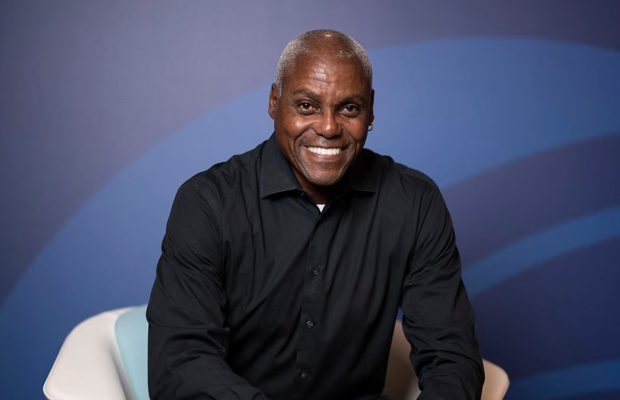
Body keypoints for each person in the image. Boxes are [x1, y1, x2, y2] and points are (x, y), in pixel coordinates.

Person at [147, 29, 484, 399]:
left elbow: (451, 359)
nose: (328, 127)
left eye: (349, 108)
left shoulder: (415, 203)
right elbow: (182, 362)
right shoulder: (208, 202)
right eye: (306, 106)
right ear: (274, 102)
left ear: (371, 109)